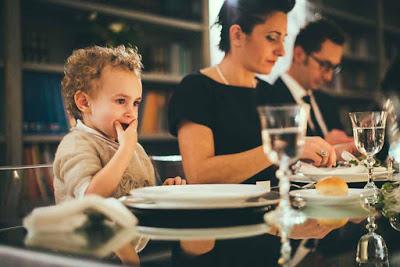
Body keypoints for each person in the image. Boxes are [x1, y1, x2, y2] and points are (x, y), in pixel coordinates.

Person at [168, 0, 338, 185]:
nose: (281, 51)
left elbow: (284, 164)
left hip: (274, 206)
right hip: (224, 212)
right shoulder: (196, 89)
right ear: (237, 35)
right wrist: (278, 147)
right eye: (272, 38)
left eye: (283, 39)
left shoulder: (270, 92)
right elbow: (199, 175)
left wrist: (331, 152)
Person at [53, 45, 185, 203]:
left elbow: (141, 198)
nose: (131, 112)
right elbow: (90, 198)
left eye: (136, 103)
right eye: (121, 101)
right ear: (84, 102)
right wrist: (126, 150)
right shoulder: (76, 144)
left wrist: (163, 191)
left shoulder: (134, 149)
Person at [264, 18, 354, 146]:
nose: (328, 77)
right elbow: (276, 155)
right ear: (299, 54)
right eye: (324, 65)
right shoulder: (268, 99)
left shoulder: (328, 102)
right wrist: (325, 145)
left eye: (333, 68)